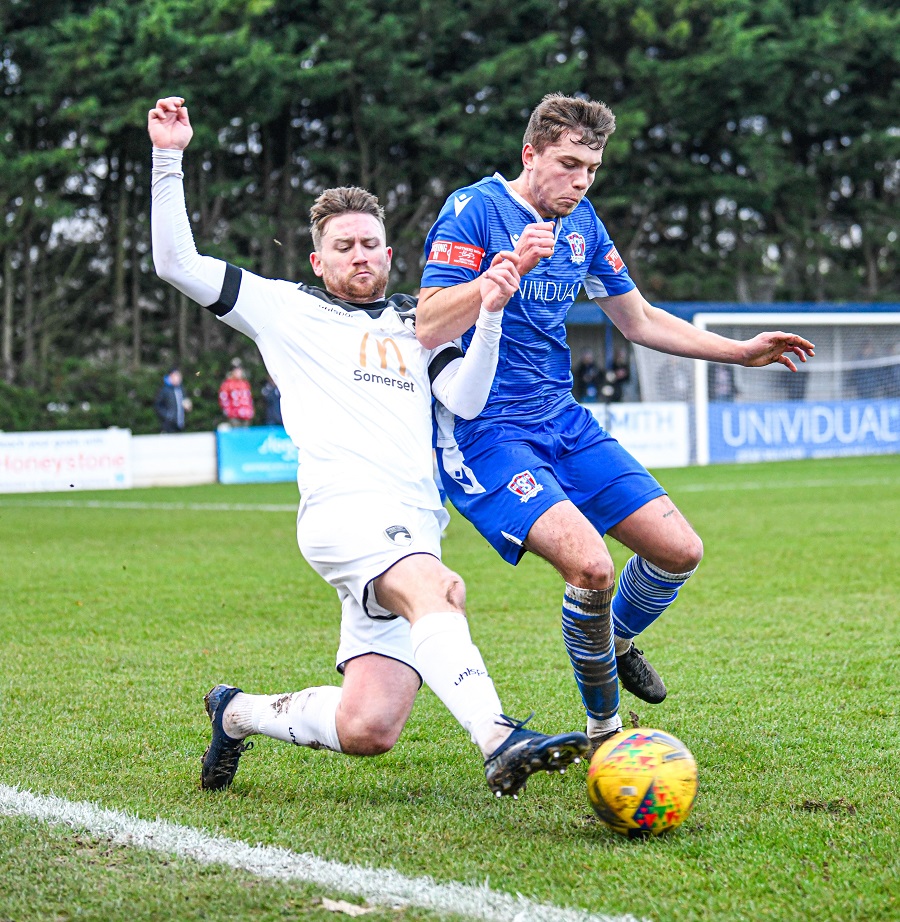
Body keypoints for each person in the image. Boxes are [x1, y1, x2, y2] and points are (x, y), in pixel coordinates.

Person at [148, 95, 589, 798]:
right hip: (344, 513)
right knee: (442, 590)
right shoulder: (285, 309)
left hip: (415, 521)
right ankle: (500, 739)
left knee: (369, 727)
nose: (359, 255)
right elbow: (177, 262)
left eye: (370, 244)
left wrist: (493, 312)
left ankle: (235, 713)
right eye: (343, 246)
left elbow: (467, 401)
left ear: (389, 253)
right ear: (317, 258)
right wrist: (169, 157)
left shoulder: (418, 321)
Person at [416, 92, 815, 750]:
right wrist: (503, 271)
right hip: (486, 431)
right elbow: (427, 322)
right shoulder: (475, 210)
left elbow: (640, 321)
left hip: (562, 420)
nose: (580, 180)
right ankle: (605, 733)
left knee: (679, 550)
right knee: (593, 567)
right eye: (569, 163)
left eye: (592, 168)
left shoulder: (583, 225)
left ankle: (616, 639)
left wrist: (739, 352)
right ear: (530, 154)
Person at [153, 366, 190, 433]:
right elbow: (157, 405)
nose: (179, 378)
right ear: (171, 377)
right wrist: (167, 415)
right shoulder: (164, 390)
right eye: (176, 376)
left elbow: (184, 402)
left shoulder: (181, 389)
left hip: (181, 425)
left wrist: (187, 406)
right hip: (169, 426)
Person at [218, 362, 254, 426]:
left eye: (240, 370)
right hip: (234, 416)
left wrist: (250, 411)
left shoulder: (245, 384)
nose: (239, 373)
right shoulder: (227, 384)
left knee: (245, 433)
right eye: (236, 371)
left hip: (246, 415)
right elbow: (223, 400)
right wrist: (228, 412)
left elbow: (249, 398)